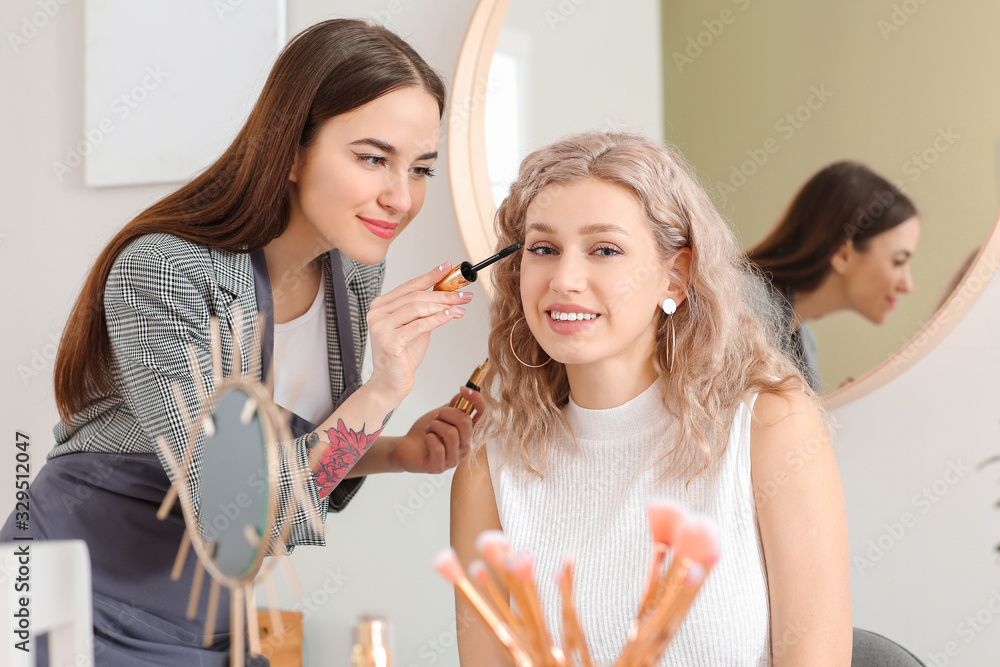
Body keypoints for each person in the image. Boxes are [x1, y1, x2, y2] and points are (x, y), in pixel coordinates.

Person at [0, 19, 484, 666]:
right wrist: (384, 388)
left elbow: (284, 470)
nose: (400, 197)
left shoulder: (354, 268)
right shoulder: (165, 271)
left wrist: (397, 452)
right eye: (373, 158)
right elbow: (237, 512)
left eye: (420, 167)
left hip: (208, 609)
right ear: (290, 149)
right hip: (77, 591)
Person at [451, 132, 852, 665]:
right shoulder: (490, 471)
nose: (565, 279)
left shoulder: (768, 428)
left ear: (676, 276)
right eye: (543, 249)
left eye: (605, 250)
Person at [746, 161, 920, 391]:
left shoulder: (806, 345)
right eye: (899, 261)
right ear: (843, 254)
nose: (908, 285)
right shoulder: (737, 305)